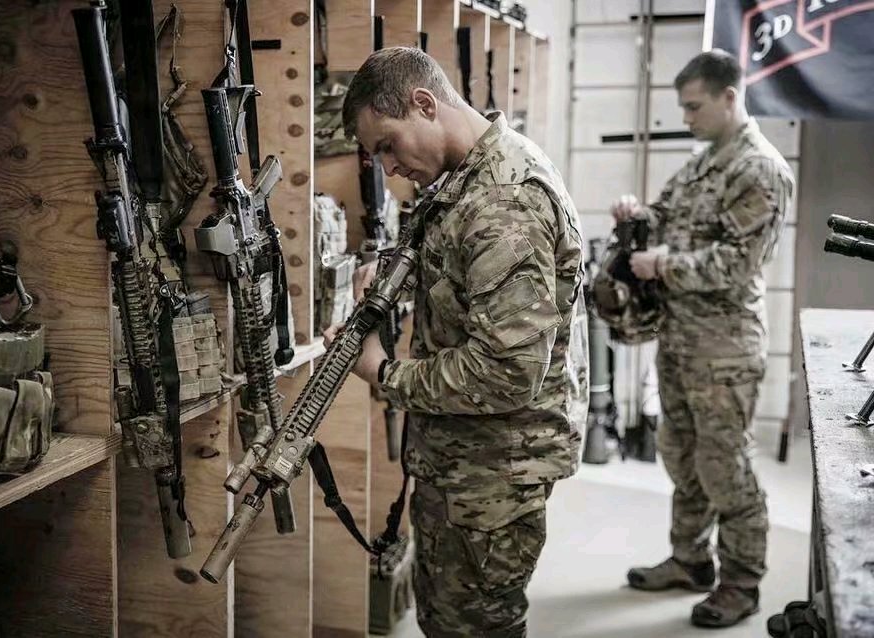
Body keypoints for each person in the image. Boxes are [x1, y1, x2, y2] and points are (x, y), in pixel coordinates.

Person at [324, 46, 589, 637]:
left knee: (473, 626)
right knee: (446, 618)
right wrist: (390, 271)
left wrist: (383, 373)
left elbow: (506, 372)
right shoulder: (468, 177)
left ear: (424, 104)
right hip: (466, 460)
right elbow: (463, 270)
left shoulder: (504, 201)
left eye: (388, 145)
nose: (388, 168)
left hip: (493, 473)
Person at [611, 49, 794, 628]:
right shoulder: (702, 164)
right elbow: (663, 215)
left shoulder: (759, 169)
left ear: (728, 97)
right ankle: (691, 561)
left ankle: (741, 582)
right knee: (682, 457)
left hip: (725, 349)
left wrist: (662, 265)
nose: (686, 117)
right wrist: (636, 216)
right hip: (681, 338)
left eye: (694, 107)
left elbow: (738, 263)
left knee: (724, 467)